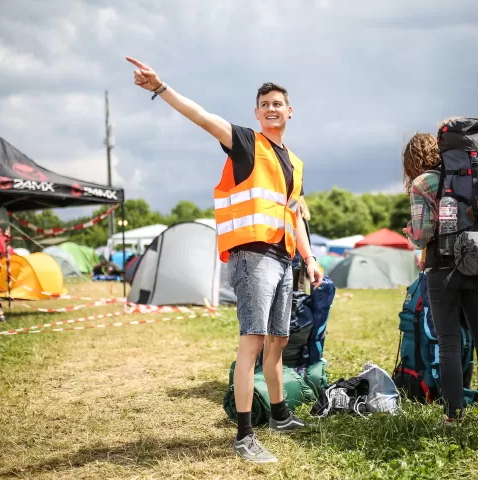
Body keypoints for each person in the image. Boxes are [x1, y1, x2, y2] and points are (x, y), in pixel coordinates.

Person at [126, 56, 323, 463]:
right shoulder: (247, 142)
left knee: (279, 342)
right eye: (265, 104)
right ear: (256, 113)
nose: (272, 108)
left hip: (285, 261)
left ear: (290, 111)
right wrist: (161, 88)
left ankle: (281, 415)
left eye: (278, 103)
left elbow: (295, 213)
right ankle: (245, 435)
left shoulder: (296, 164)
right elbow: (201, 116)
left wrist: (310, 257)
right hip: (252, 258)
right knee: (251, 342)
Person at [401, 131, 478, 434]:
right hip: (476, 265)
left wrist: (409, 231)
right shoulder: (469, 177)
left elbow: (422, 235)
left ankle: (452, 418)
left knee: (449, 344)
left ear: (411, 159)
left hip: (442, 270)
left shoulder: (422, 183)